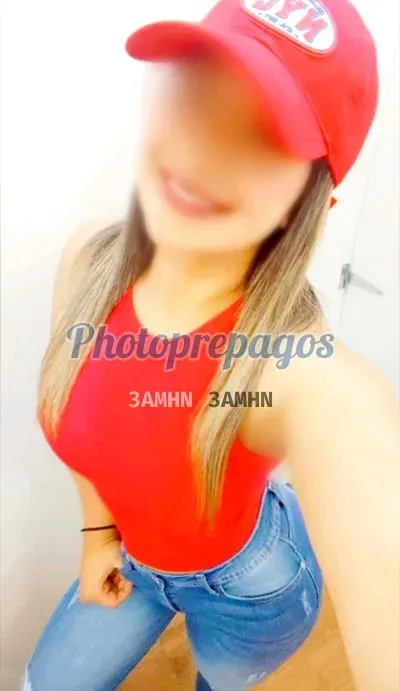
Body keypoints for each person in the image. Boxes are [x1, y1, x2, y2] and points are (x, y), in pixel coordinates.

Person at [22, 1, 400, 690]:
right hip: (130, 563)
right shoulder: (86, 263)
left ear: (309, 201)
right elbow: (80, 422)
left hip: (250, 584)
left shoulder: (299, 368)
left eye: (262, 133)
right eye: (195, 95)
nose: (202, 147)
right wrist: (97, 535)